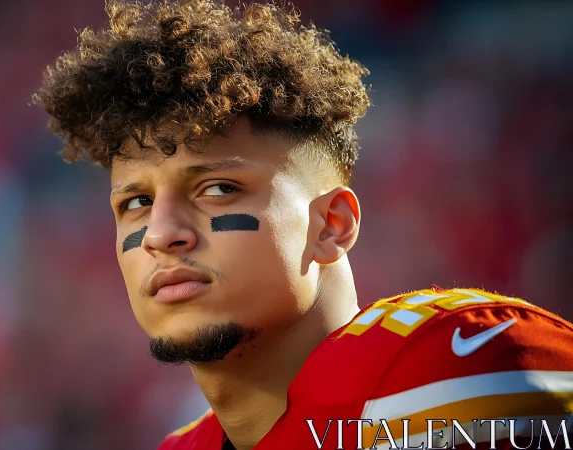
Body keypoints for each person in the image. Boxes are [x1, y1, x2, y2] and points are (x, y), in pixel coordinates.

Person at [34, 1, 573, 449]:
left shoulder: (455, 366)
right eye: (135, 203)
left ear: (331, 226)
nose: (161, 233)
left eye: (217, 189)